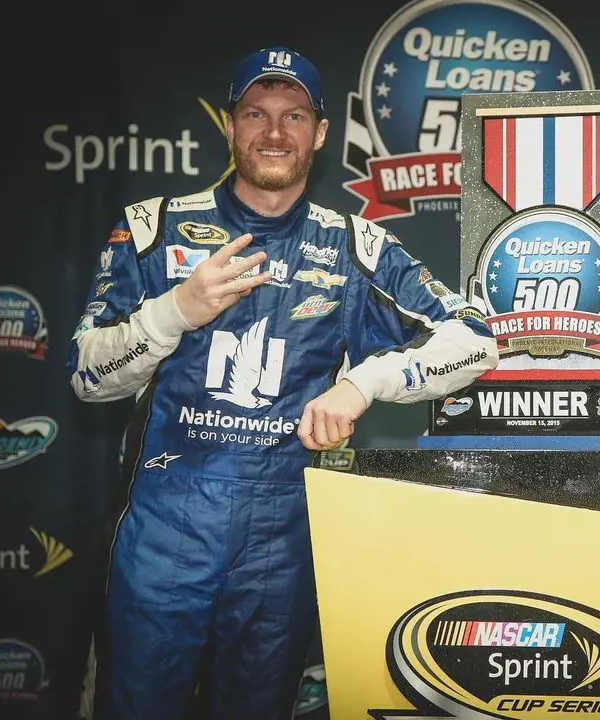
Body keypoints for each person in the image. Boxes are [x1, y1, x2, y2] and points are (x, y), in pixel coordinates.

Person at [66, 45, 498, 720]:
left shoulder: (355, 246)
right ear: (232, 126)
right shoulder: (153, 229)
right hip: (165, 523)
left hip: (283, 539)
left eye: (294, 115)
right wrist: (175, 311)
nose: (274, 132)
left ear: (320, 134)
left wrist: (365, 383)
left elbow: (476, 337)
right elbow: (88, 378)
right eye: (256, 114)